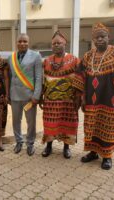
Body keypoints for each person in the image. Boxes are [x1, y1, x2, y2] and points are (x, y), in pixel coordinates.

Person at [75, 23, 114, 170]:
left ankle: (107, 156)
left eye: (103, 36)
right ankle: (93, 152)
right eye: (97, 37)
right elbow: (80, 77)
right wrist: (82, 98)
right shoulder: (88, 57)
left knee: (109, 128)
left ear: (109, 37)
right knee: (91, 127)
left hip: (113, 102)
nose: (100, 39)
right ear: (93, 39)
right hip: (92, 102)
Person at [39, 30, 81, 159]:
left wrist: (79, 98)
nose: (56, 45)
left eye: (59, 43)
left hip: (68, 101)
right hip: (50, 100)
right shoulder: (47, 61)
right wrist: (41, 96)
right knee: (50, 124)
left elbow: (80, 80)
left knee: (67, 123)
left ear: (65, 43)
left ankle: (66, 147)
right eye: (54, 43)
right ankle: (49, 146)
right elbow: (43, 79)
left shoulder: (74, 60)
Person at [8, 33, 43, 156]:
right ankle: (18, 141)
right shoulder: (11, 57)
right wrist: (8, 95)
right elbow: (10, 77)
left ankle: (30, 143)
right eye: (20, 41)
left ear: (28, 43)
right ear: (16, 43)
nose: (22, 43)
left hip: (29, 96)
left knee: (31, 122)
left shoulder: (36, 56)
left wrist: (36, 96)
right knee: (16, 121)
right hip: (15, 95)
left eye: (25, 41)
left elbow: (39, 78)